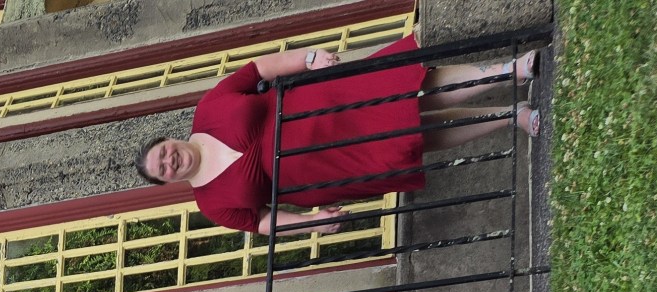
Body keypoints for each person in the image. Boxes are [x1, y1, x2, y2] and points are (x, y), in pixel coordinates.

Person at [138, 41, 542, 233]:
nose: (170, 160)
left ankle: (510, 71)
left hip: (324, 101)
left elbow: (257, 70)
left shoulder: (209, 107)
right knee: (417, 138)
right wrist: (311, 223)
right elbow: (262, 222)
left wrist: (308, 59)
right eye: (164, 169)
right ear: (167, 181)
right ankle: (511, 115)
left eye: (164, 152)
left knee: (412, 86)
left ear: (169, 141)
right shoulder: (211, 203)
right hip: (327, 167)